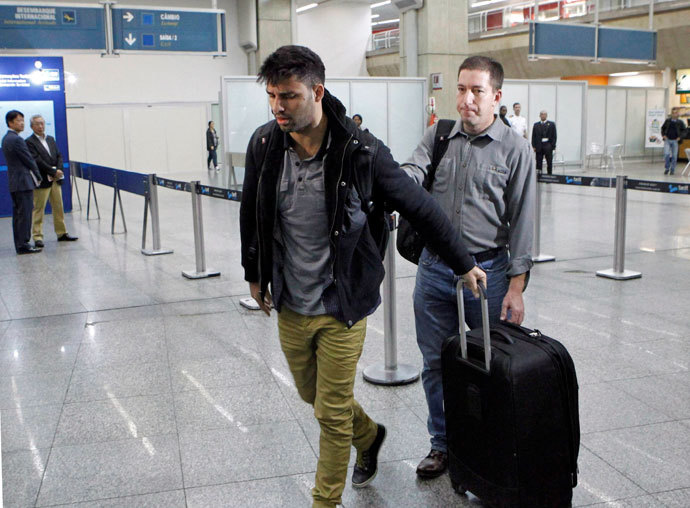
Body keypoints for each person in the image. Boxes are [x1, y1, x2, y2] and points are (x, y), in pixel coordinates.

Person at [240, 45, 485, 508]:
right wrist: (255, 273)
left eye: (288, 96)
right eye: (272, 95)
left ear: (317, 91)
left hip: (342, 302)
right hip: (290, 301)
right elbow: (251, 209)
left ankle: (325, 501)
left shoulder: (362, 153)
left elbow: (422, 207)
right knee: (312, 395)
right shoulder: (264, 143)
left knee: (331, 414)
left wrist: (463, 261)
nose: (278, 107)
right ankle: (369, 435)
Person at [401, 55, 535, 479]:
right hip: (434, 270)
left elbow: (524, 221)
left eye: (477, 91)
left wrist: (516, 287)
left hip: (487, 275)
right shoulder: (438, 136)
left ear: (496, 96)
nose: (467, 100)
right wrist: (390, 185)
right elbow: (411, 172)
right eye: (461, 89)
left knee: (487, 366)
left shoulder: (515, 149)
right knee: (434, 363)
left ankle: (484, 450)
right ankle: (442, 445)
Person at [25, 115, 78, 247]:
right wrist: (53, 171)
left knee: (58, 207)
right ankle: (37, 236)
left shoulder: (50, 139)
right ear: (32, 126)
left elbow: (59, 155)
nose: (40, 126)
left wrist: (59, 170)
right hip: (42, 180)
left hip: (55, 180)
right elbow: (37, 160)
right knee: (39, 209)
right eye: (37, 124)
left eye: (42, 123)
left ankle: (62, 233)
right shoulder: (29, 142)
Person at [2, 110, 42, 254]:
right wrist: (38, 176)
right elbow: (29, 160)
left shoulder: (6, 138)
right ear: (10, 122)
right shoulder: (17, 139)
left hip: (15, 182)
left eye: (22, 120)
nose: (22, 123)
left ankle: (20, 244)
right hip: (23, 182)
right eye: (18, 120)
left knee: (19, 215)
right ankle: (24, 244)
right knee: (24, 214)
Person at [661, 109, 686, 175]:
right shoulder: (667, 121)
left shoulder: (680, 122)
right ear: (671, 114)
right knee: (666, 154)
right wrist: (663, 135)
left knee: (674, 156)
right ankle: (667, 168)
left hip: (675, 141)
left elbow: (684, 131)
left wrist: (680, 137)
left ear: (677, 114)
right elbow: (663, 128)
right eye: (673, 113)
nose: (674, 114)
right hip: (667, 140)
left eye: (676, 113)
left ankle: (672, 169)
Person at [532, 110, 557, 175]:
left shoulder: (551, 124)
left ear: (546, 115)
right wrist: (534, 146)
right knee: (538, 161)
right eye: (542, 114)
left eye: (544, 114)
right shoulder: (536, 125)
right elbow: (533, 136)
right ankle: (539, 175)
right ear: (540, 116)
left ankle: (549, 175)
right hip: (539, 145)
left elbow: (554, 136)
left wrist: (553, 145)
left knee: (549, 161)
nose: (543, 115)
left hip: (548, 145)